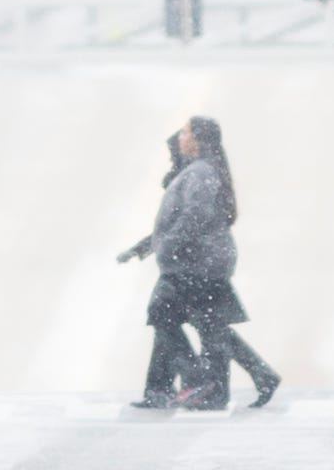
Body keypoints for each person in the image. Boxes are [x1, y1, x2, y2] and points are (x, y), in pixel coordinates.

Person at [117, 118, 280, 410]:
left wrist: (169, 246)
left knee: (166, 315)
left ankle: (197, 382)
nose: (180, 137)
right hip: (195, 261)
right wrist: (144, 247)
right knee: (207, 326)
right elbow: (172, 223)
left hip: (196, 262)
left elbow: (195, 215)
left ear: (197, 140)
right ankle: (171, 388)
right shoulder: (195, 171)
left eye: (185, 132)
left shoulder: (201, 172)